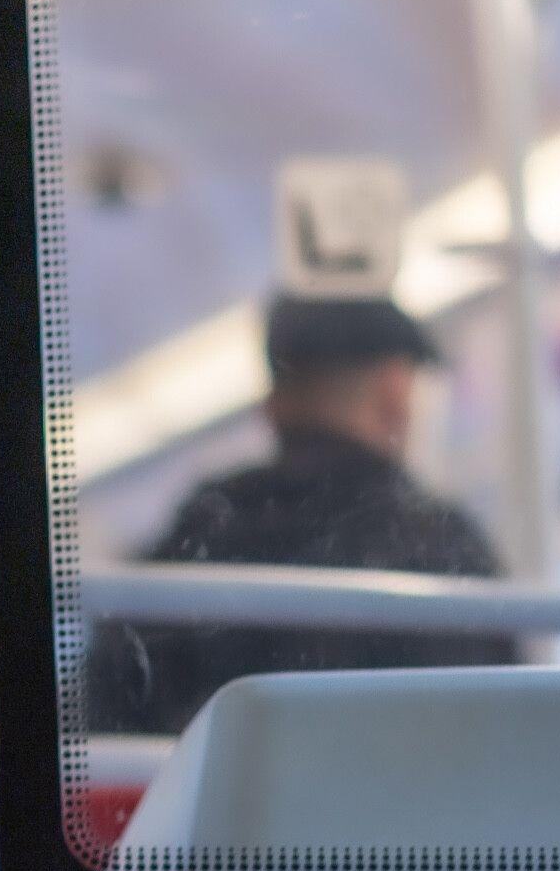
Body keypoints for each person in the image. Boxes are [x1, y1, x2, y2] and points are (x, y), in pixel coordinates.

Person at [79, 292, 516, 737]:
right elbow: (502, 730)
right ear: (394, 395)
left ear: (273, 404)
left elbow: (111, 707)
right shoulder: (443, 549)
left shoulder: (199, 533)